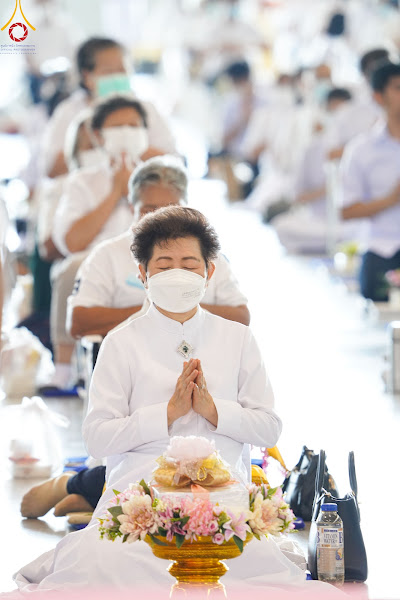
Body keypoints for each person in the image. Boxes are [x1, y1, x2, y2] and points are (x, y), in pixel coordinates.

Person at [13, 207, 305, 593]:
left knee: (250, 568)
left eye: (189, 264)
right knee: (112, 561)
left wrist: (214, 411)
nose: (177, 274)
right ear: (143, 274)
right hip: (142, 492)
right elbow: (97, 438)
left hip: (220, 494)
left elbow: (269, 428)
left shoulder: (238, 338)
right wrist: (166, 414)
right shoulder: (121, 342)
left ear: (209, 272)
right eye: (164, 265)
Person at [20, 156, 250, 519]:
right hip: (136, 374)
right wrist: (151, 312)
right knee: (142, 464)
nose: (159, 216)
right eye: (148, 208)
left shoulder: (205, 255)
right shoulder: (109, 255)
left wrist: (184, 307)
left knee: (220, 472)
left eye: (169, 207)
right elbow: (79, 320)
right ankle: (81, 486)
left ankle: (83, 491)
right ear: (132, 206)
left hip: (204, 374)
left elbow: (241, 315)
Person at [47, 95, 154, 390]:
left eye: (134, 126)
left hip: (147, 256)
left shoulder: (159, 177)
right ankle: (63, 370)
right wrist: (116, 191)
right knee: (72, 268)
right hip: (95, 260)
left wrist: (136, 193)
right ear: (98, 135)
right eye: (118, 127)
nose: (127, 133)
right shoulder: (83, 181)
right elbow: (70, 241)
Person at [41, 36, 176, 179]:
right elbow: (51, 170)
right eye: (109, 71)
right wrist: (86, 145)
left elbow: (172, 161)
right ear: (87, 76)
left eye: (122, 70)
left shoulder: (146, 109)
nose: (117, 76)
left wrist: (131, 145)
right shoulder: (69, 112)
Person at [341, 61, 400, 301]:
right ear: (378, 97)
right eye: (398, 88)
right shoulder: (361, 150)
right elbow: (347, 211)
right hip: (382, 247)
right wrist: (391, 199)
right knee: (376, 285)